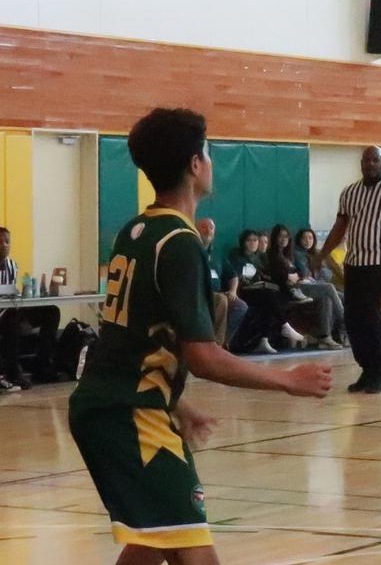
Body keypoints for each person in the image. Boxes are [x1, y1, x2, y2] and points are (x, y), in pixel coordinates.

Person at [68, 108, 332, 565]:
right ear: (194, 165)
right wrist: (288, 379)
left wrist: (177, 401)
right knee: (195, 553)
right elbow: (204, 355)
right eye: (206, 154)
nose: (209, 163)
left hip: (112, 404)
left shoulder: (136, 231)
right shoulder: (180, 242)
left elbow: (132, 340)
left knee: (151, 544)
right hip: (128, 414)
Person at [314, 146, 381, 394]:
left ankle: (380, 371)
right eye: (366, 160)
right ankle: (367, 370)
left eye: (375, 160)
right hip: (354, 263)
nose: (370, 164)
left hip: (380, 263)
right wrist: (322, 254)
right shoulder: (350, 193)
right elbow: (340, 227)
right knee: (353, 319)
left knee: (368, 314)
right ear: (361, 163)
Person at [0, 226, 61, 389]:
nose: (4, 246)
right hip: (4, 316)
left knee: (52, 311)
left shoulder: (12, 265)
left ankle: (42, 365)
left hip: (12, 310)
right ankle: (12, 371)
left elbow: (13, 291)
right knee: (11, 318)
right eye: (1, 242)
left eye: (7, 242)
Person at [228, 229, 307, 354]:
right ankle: (284, 326)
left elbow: (266, 275)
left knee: (272, 299)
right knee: (269, 296)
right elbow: (238, 276)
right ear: (243, 242)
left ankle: (264, 340)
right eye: (249, 240)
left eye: (255, 240)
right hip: (244, 291)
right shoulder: (237, 257)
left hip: (259, 290)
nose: (253, 243)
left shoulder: (259, 258)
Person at [266, 224, 343, 350]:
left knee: (327, 299)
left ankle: (325, 337)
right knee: (329, 288)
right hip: (291, 290)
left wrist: (295, 276)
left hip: (300, 285)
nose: (283, 239)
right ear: (275, 238)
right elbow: (286, 276)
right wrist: (293, 276)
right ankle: (344, 317)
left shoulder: (287, 254)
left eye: (286, 236)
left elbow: (299, 274)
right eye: (280, 236)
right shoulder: (273, 254)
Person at [197, 218, 247, 348]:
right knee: (221, 300)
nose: (208, 230)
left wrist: (233, 291)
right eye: (204, 227)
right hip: (199, 295)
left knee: (240, 306)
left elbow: (233, 275)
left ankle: (223, 343)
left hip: (218, 294)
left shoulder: (217, 254)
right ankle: (214, 345)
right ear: (196, 229)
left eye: (211, 228)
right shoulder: (192, 250)